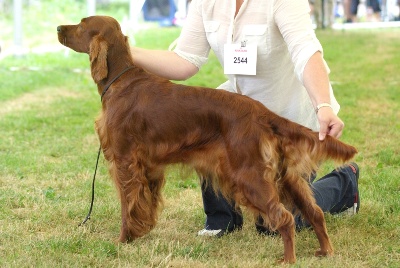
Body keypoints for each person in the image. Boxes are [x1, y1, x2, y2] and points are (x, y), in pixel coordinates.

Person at [130, 0, 360, 237]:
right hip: (238, 123)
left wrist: (323, 104)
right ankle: (223, 218)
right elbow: (184, 60)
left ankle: (345, 183)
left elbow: (306, 51)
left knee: (274, 223)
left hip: (288, 122)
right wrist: (125, 48)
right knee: (207, 125)